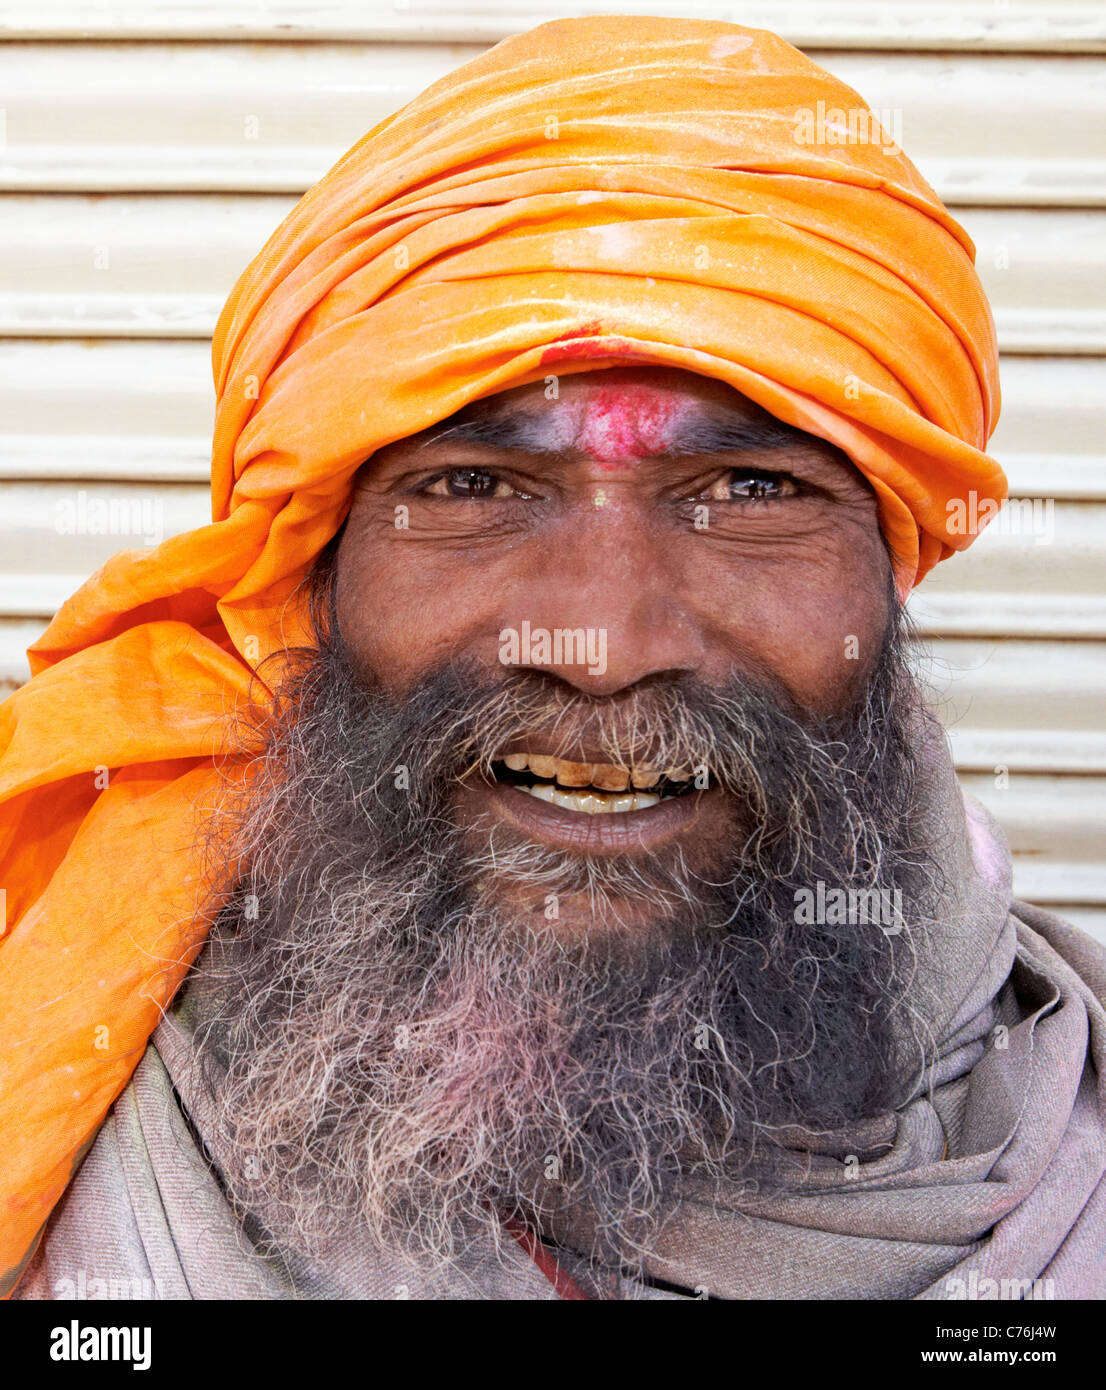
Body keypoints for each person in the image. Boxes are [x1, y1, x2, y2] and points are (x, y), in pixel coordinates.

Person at [4, 16, 1103, 1301]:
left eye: (750, 486)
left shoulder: (1051, 1134)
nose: (605, 650)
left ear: (890, 571)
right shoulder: (64, 1036)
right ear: (316, 579)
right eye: (471, 482)